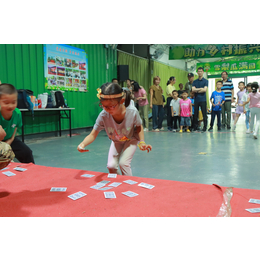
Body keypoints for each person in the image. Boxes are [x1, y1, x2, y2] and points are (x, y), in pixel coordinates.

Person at [78, 82, 152, 176]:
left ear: (121, 101)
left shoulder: (132, 112)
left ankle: (129, 185)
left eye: (111, 106)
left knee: (124, 164)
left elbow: (139, 126)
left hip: (131, 139)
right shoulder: (104, 115)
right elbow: (93, 134)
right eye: (104, 106)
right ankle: (118, 184)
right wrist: (82, 144)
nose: (107, 109)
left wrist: (142, 142)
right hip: (117, 140)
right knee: (111, 166)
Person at [0, 83, 35, 163]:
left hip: (10, 140)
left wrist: (8, 144)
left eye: (13, 102)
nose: (10, 106)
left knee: (26, 152)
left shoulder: (17, 113)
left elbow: (14, 132)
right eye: (6, 103)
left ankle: (31, 172)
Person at [192, 67, 208, 132]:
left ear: (203, 72)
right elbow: (193, 90)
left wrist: (197, 90)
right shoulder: (195, 81)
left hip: (203, 100)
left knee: (204, 114)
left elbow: (205, 90)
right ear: (197, 72)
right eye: (198, 71)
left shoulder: (206, 81)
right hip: (196, 100)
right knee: (195, 114)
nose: (200, 72)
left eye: (201, 71)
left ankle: (205, 127)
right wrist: (200, 89)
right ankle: (195, 127)